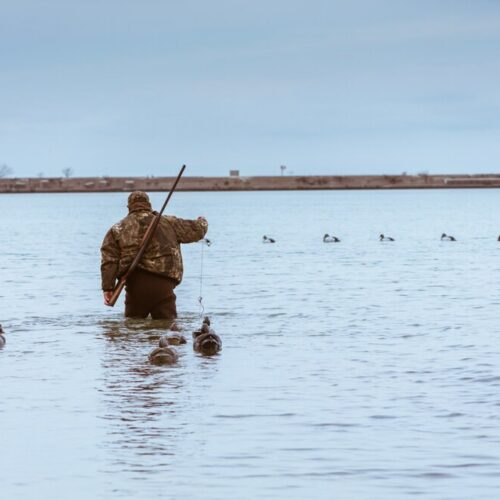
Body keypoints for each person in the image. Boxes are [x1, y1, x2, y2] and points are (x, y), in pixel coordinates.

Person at [100, 191, 208, 319]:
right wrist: (202, 221)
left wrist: (108, 288)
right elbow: (197, 230)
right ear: (148, 204)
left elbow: (109, 261)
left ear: (129, 207)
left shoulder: (117, 229)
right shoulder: (169, 222)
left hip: (135, 285)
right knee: (169, 331)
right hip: (163, 285)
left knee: (133, 329)